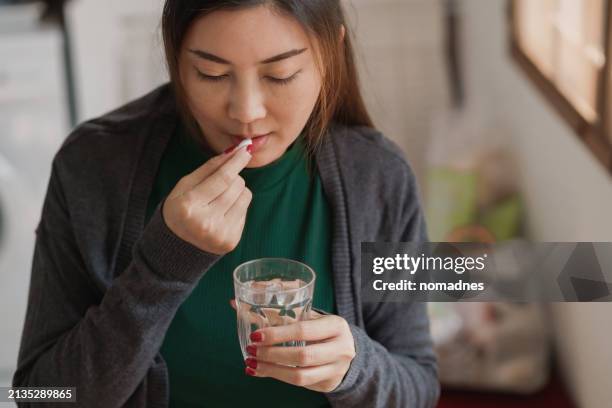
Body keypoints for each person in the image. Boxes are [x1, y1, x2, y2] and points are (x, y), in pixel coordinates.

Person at [13, 1, 440, 407]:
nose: (246, 112)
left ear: (331, 52)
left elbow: (421, 386)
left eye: (281, 74)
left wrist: (354, 368)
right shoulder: (90, 166)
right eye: (211, 73)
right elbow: (39, 395)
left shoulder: (382, 175)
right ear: (176, 61)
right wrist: (165, 265)